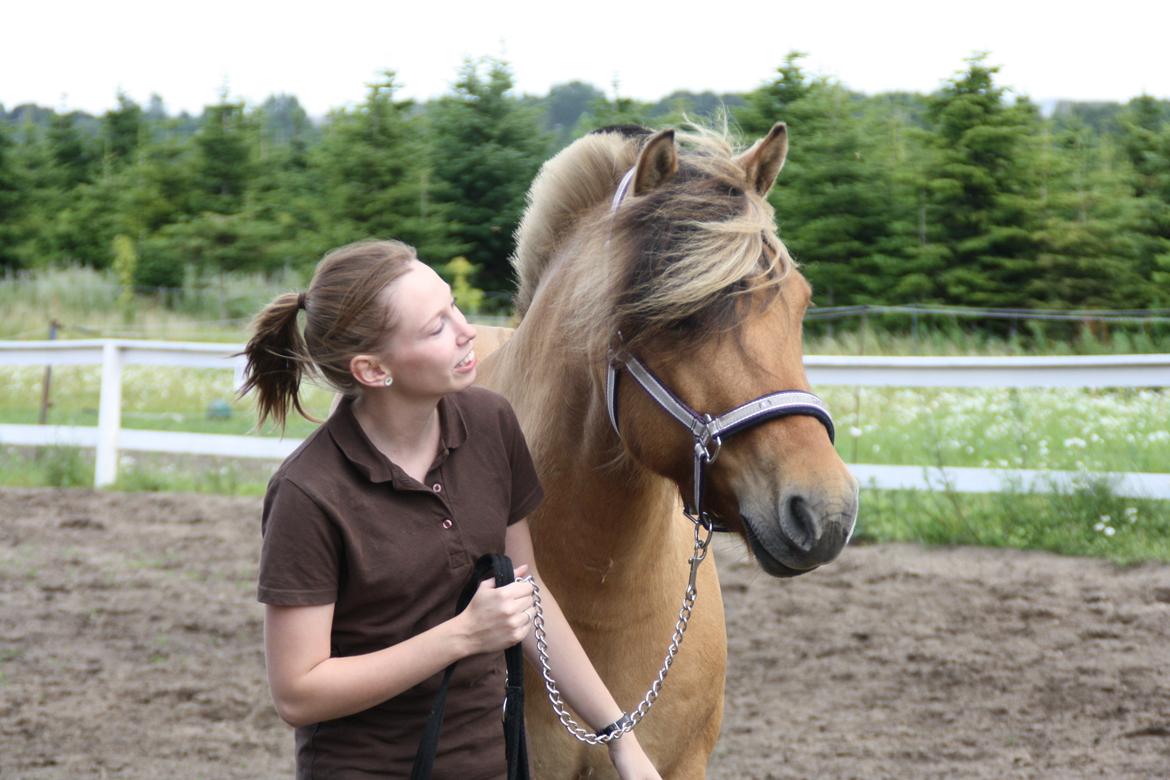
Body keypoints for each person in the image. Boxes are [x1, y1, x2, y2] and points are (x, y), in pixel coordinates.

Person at [241, 239, 660, 779]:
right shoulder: (308, 492)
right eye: (435, 326)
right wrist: (462, 636)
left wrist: (619, 738)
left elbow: (525, 594)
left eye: (453, 304)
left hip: (488, 764)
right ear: (372, 370)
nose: (466, 330)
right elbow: (298, 693)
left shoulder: (491, 424)